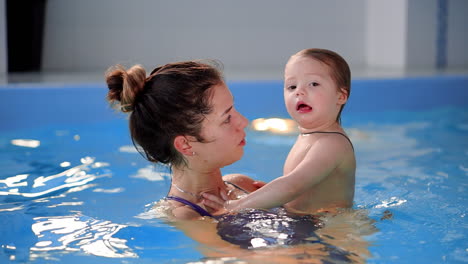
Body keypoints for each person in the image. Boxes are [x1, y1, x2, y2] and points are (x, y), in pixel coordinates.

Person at [203, 48, 356, 214]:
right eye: (292, 86)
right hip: (308, 222)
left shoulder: (332, 144)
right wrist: (271, 194)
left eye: (314, 84)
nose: (300, 91)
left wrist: (234, 207)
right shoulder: (311, 135)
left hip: (333, 230)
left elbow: (293, 185)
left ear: (341, 96)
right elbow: (299, 186)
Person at [105, 60, 261, 220]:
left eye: (233, 109)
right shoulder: (186, 216)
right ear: (185, 145)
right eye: (227, 118)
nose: (243, 121)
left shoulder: (243, 185)